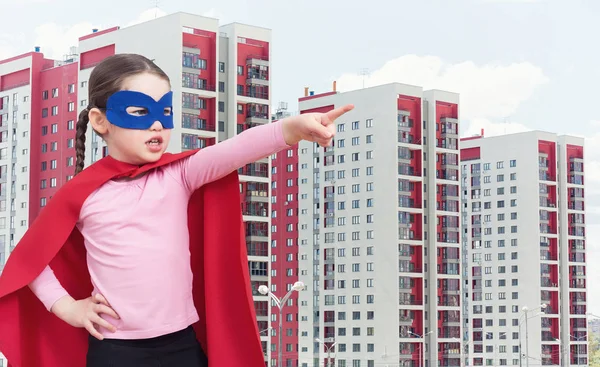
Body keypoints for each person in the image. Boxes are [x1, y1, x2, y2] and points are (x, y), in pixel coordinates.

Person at [0, 53, 353, 367]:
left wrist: (294, 128)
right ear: (99, 120)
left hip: (181, 344)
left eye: (164, 111)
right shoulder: (81, 193)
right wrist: (67, 308)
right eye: (139, 111)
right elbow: (29, 261)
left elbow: (235, 150)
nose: (156, 124)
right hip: (115, 351)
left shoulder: (180, 174)